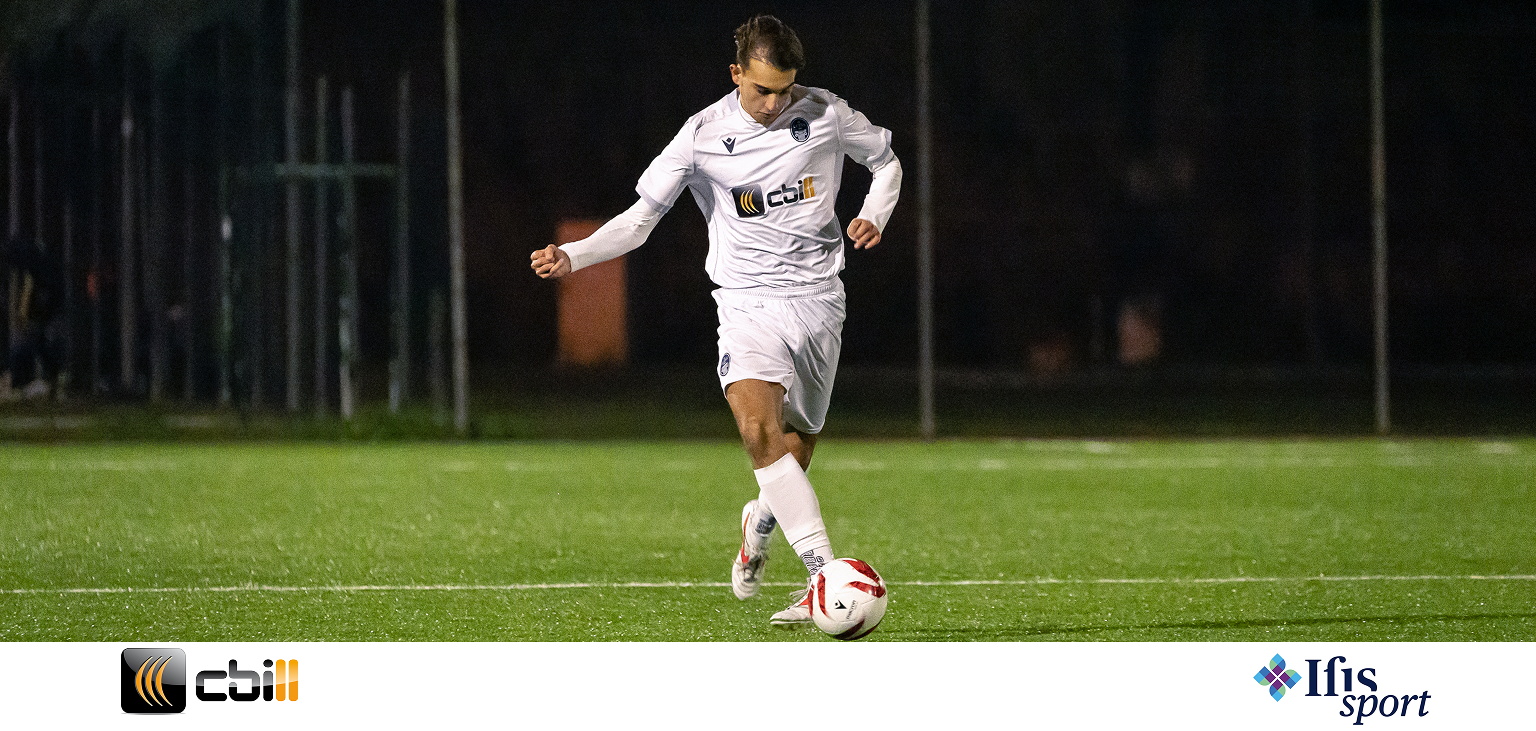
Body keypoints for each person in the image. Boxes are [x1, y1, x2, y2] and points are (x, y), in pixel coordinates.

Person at [530, 14, 901, 628]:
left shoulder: (826, 113)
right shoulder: (702, 135)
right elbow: (642, 217)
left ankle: (759, 523)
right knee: (758, 432)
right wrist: (575, 255)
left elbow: (886, 163)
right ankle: (822, 576)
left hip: (818, 300)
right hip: (746, 302)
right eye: (762, 90)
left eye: (785, 90)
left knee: (796, 444)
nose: (775, 103)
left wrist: (874, 214)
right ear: (735, 73)